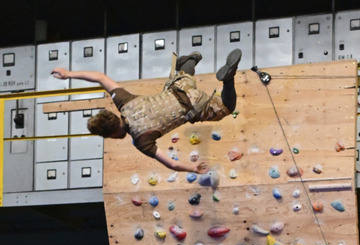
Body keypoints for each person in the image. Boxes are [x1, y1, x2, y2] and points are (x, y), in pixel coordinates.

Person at [51, 49, 241, 173]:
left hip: (195, 106)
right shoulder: (123, 102)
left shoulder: (141, 141)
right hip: (179, 89)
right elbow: (100, 77)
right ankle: (190, 59)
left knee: (227, 107)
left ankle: (228, 79)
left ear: (111, 133)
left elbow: (172, 164)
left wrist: (193, 168)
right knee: (183, 75)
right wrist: (68, 74)